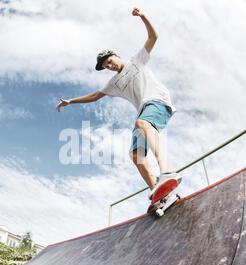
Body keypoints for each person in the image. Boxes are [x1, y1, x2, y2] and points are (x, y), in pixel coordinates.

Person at [56, 7, 181, 200]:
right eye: (106, 66)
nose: (109, 65)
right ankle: (160, 194)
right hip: (144, 111)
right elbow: (95, 96)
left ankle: (166, 171)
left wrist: (143, 17)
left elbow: (153, 37)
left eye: (109, 61)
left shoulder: (136, 61)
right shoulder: (113, 83)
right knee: (135, 155)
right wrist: (71, 101)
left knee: (141, 123)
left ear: (115, 55)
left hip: (158, 101)